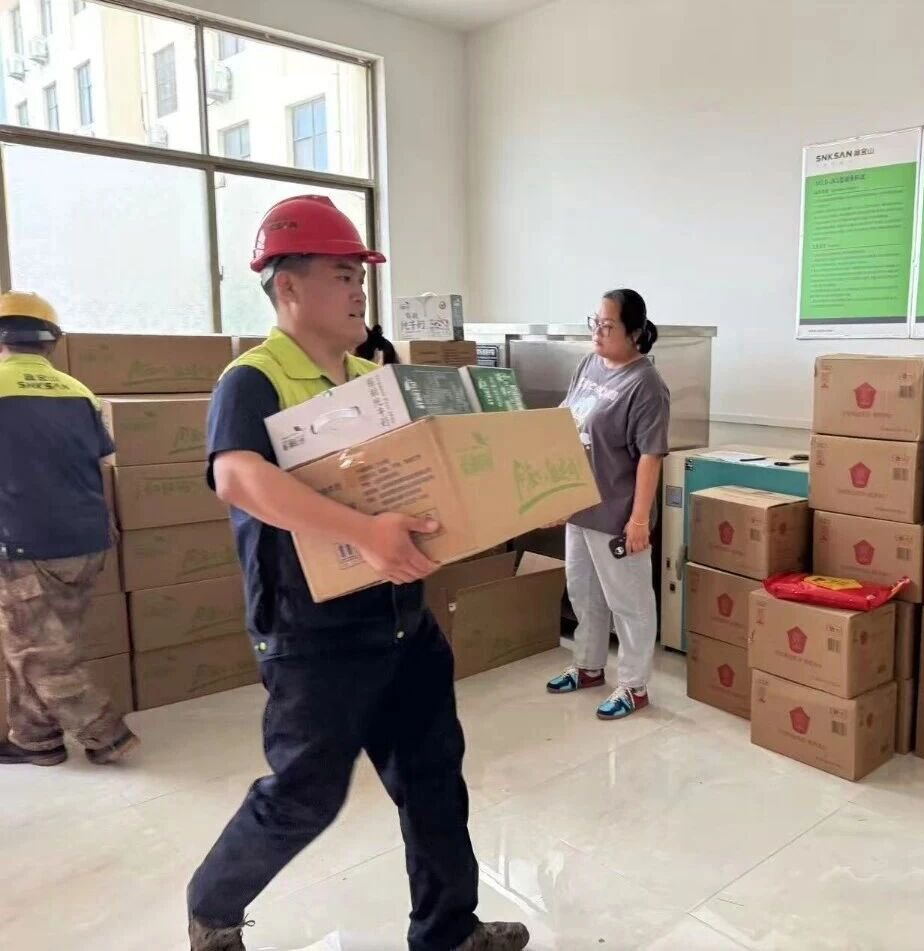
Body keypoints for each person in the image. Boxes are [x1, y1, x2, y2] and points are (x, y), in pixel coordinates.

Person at [186, 196, 528, 951]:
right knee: (306, 793)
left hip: (401, 617)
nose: (359, 292)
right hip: (313, 634)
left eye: (361, 278)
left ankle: (447, 931)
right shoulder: (254, 379)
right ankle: (212, 906)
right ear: (288, 287)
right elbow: (237, 477)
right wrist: (365, 533)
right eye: (343, 276)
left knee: (434, 779)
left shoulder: (371, 378)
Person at [0, 291, 139, 767]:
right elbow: (100, 461)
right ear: (50, 341)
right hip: (86, 538)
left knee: (39, 652)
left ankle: (106, 734)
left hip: (23, 541)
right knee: (39, 643)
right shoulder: (79, 391)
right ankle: (36, 740)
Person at [545, 289, 670, 720]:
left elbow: (651, 456)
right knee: (582, 593)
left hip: (617, 513)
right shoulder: (589, 364)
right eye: (595, 322)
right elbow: (564, 421)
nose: (597, 332)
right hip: (579, 506)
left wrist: (639, 520)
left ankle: (634, 686)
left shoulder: (646, 385)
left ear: (634, 332)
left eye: (608, 325)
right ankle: (588, 666)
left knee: (629, 603)